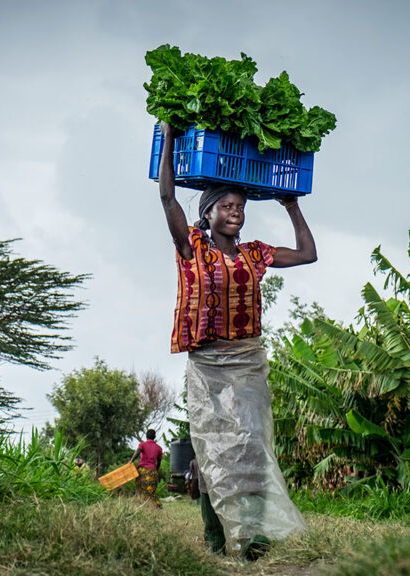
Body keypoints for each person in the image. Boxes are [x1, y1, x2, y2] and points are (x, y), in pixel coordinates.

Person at [157, 122, 315, 560]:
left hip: (247, 362)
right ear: (207, 214)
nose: (235, 212)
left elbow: (307, 254)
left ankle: (253, 539)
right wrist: (170, 136)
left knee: (251, 448)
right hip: (207, 364)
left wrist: (290, 205)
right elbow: (168, 197)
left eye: (240, 206)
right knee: (210, 452)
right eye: (226, 206)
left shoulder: (254, 254)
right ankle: (216, 538)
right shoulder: (191, 248)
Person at [129, 429, 163, 507]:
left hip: (142, 471)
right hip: (153, 472)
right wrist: (155, 470)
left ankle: (141, 505)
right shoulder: (159, 448)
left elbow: (137, 452)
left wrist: (131, 461)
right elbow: (159, 462)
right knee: (151, 491)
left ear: (146, 436)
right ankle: (157, 505)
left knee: (140, 489)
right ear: (154, 436)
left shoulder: (142, 445)